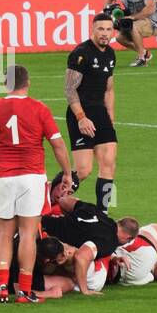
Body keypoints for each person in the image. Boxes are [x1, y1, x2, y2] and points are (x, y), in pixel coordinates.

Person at [0, 64, 75, 304]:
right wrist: (66, 173)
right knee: (28, 235)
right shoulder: (39, 108)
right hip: (31, 178)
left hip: (4, 178)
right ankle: (24, 291)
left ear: (6, 84)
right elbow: (58, 145)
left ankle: (1, 287)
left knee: (4, 234)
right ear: (27, 82)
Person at [64, 13, 117, 208]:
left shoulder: (110, 54)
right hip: (81, 113)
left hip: (100, 114)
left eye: (108, 29)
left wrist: (110, 117)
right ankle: (49, 198)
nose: (104, 33)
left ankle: (102, 213)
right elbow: (69, 89)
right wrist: (81, 117)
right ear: (92, 30)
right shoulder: (81, 53)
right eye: (100, 29)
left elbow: (109, 88)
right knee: (84, 170)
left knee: (109, 164)